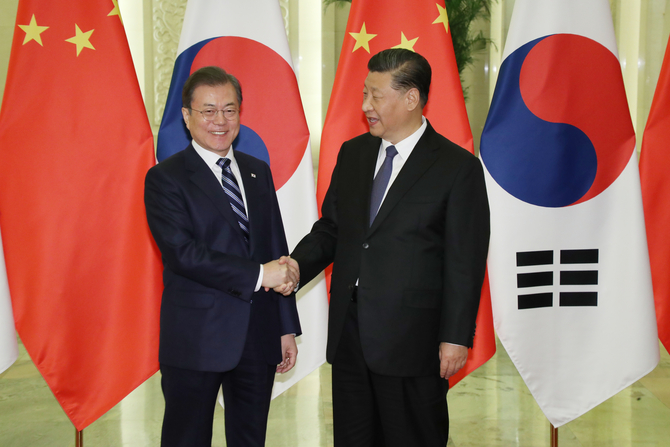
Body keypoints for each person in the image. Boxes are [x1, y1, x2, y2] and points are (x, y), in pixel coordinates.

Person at [288, 49, 490, 446]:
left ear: (411, 98)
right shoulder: (354, 154)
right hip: (350, 335)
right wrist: (295, 266)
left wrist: (455, 336)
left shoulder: (457, 168)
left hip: (414, 342)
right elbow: (332, 230)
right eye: (365, 93)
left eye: (376, 95)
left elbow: (465, 263)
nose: (365, 105)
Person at [144, 66, 301, 447]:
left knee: (251, 438)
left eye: (229, 110)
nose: (220, 121)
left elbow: (275, 248)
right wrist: (259, 275)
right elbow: (183, 254)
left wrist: (285, 327)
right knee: (187, 439)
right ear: (187, 116)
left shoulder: (257, 172)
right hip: (196, 338)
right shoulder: (165, 178)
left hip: (258, 335)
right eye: (208, 110)